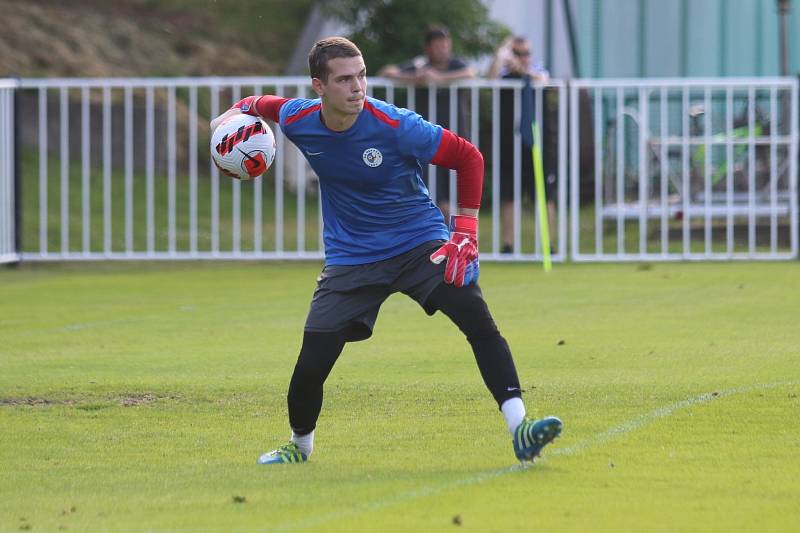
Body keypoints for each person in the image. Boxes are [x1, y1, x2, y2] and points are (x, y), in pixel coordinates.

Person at [210, 36, 562, 466]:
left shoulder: (396, 125)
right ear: (318, 86)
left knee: (476, 316)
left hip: (419, 243)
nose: (358, 87)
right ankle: (299, 446)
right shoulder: (299, 118)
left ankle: (520, 427)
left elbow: (469, 157)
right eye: (344, 79)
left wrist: (465, 230)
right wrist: (228, 116)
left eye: (361, 75)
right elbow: (257, 104)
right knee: (312, 361)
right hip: (351, 258)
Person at [378, 26, 476, 219]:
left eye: (446, 45)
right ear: (428, 48)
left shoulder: (456, 65)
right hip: (426, 139)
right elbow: (386, 72)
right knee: (430, 188)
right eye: (438, 46)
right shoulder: (419, 65)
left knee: (456, 189)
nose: (443, 50)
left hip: (455, 137)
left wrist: (439, 79)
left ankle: (456, 238)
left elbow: (471, 73)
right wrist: (415, 78)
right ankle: (441, 235)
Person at [488, 36, 558, 254]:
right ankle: (508, 245)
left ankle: (549, 244)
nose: (523, 58)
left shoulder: (537, 68)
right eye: (518, 54)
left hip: (539, 140)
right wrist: (501, 54)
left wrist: (523, 69)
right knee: (509, 193)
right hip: (510, 142)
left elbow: (542, 80)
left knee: (545, 193)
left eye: (526, 53)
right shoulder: (503, 72)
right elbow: (489, 79)